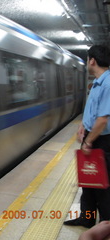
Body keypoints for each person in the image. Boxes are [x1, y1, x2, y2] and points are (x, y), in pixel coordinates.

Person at [64, 45, 110, 228]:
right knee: (89, 182)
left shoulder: (107, 84)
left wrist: (89, 142)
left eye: (88, 59)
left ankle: (106, 225)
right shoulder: (98, 82)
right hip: (92, 137)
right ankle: (87, 218)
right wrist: (82, 126)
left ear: (92, 60)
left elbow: (103, 120)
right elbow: (92, 111)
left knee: (103, 185)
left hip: (102, 140)